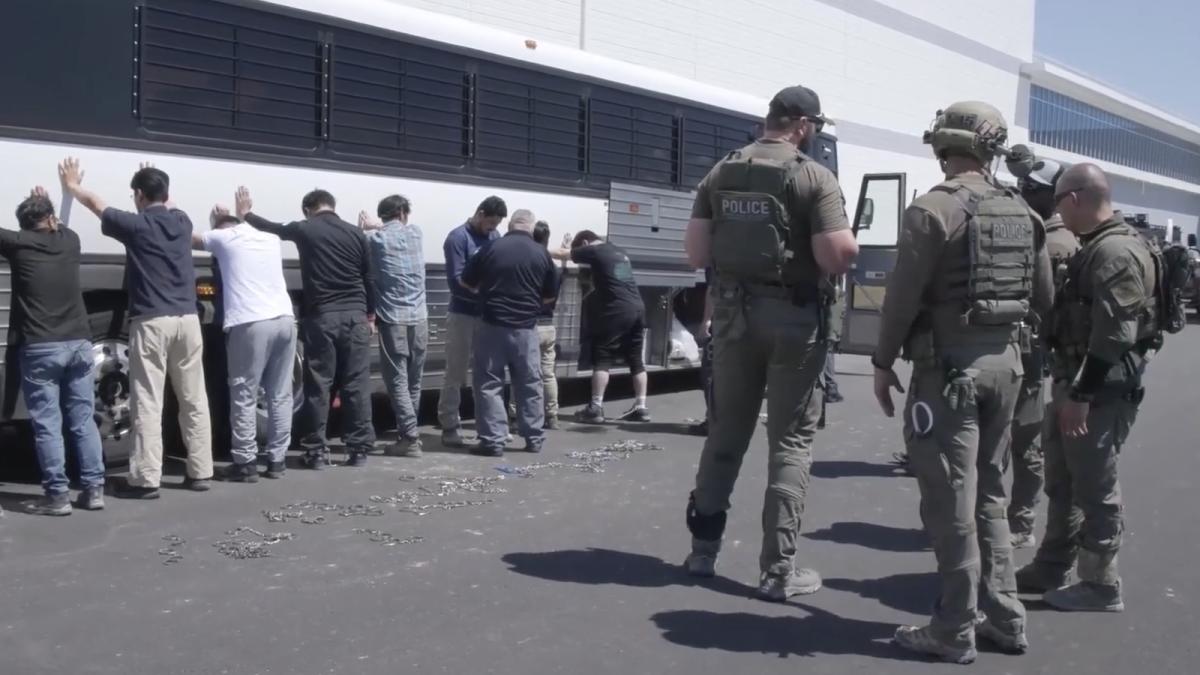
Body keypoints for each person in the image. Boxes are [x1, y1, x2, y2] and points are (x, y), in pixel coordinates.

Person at [870, 102, 1053, 662]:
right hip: (1007, 369)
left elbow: (901, 299)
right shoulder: (1026, 213)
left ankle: (953, 627)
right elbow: (1045, 300)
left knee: (950, 501)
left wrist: (881, 364)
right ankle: (1006, 617)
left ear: (941, 145)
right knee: (991, 496)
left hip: (949, 375)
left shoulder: (933, 210)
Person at [681, 85, 859, 602]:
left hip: (735, 317)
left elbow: (695, 253)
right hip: (796, 321)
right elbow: (836, 257)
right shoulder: (813, 176)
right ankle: (778, 570)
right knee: (791, 443)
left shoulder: (721, 171)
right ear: (802, 124)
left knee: (726, 434)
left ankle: (701, 552)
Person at [1015, 164, 1158, 613]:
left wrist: (1080, 395)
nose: (1057, 212)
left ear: (1074, 199)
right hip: (1075, 380)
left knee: (1096, 486)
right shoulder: (1095, 246)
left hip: (1098, 391)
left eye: (1058, 202)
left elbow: (1114, 335)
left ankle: (1100, 584)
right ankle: (1054, 562)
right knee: (1063, 479)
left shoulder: (1116, 252)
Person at [59, 158, 213, 498]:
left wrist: (72, 187)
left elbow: (97, 205)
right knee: (193, 398)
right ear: (166, 193)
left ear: (140, 195)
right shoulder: (182, 222)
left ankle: (146, 480)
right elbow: (168, 204)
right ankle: (200, 472)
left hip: (153, 320)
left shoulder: (136, 225)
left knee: (148, 400)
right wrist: (155, 179)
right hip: (188, 320)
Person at [239, 187, 375, 468]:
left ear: (307, 209)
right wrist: (371, 316)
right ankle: (358, 449)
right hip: (355, 316)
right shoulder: (356, 233)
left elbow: (271, 228)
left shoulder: (305, 229)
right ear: (332, 206)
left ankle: (316, 452)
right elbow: (369, 277)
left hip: (322, 317)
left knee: (319, 385)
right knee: (356, 384)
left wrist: (245, 213)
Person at [2, 186, 104, 514]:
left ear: (23, 225)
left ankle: (58, 496)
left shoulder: (17, 244)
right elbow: (60, 224)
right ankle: (93, 490)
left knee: (47, 422)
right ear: (50, 219)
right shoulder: (70, 241)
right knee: (82, 419)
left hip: (41, 347)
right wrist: (48, 201)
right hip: (79, 344)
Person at [1002, 147, 1080, 548]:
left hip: (1033, 352)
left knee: (1025, 437)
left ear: (1052, 195)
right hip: (1012, 348)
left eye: (1031, 188)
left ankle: (1021, 519)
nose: (1022, 191)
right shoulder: (1030, 229)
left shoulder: (1057, 242)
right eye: (1021, 185)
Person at [192, 205, 295, 482]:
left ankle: (246, 461)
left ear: (218, 227)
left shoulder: (224, 238)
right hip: (285, 319)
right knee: (280, 393)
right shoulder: (269, 239)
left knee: (244, 392)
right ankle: (277, 460)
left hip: (250, 323)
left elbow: (185, 236)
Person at [460, 209, 558, 456]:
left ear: (510, 225)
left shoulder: (491, 248)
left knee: (489, 383)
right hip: (526, 329)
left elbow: (466, 282)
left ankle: (493, 441)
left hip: (492, 326)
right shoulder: (542, 254)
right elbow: (549, 296)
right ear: (531, 227)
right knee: (529, 383)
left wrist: (485, 292)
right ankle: (534, 438)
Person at [551, 230, 649, 423]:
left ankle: (595, 407)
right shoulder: (619, 252)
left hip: (617, 310)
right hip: (637, 307)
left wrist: (539, 249)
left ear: (586, 242)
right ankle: (641, 407)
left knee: (602, 356)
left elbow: (562, 255)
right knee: (636, 359)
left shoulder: (595, 251)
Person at [359, 195, 428, 458]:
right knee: (414, 381)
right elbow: (397, 227)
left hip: (393, 320)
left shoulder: (374, 241)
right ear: (402, 213)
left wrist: (367, 227)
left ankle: (410, 437)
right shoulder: (416, 234)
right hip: (419, 319)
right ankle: (406, 435)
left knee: (397, 380)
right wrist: (378, 224)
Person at [440, 197, 506, 447]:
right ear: (479, 213)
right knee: (455, 372)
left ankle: (488, 426)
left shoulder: (495, 236)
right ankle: (449, 425)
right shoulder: (458, 238)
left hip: (486, 315)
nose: (492, 228)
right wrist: (485, 293)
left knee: (488, 372)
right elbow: (456, 282)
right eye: (489, 222)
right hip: (463, 314)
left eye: (496, 224)